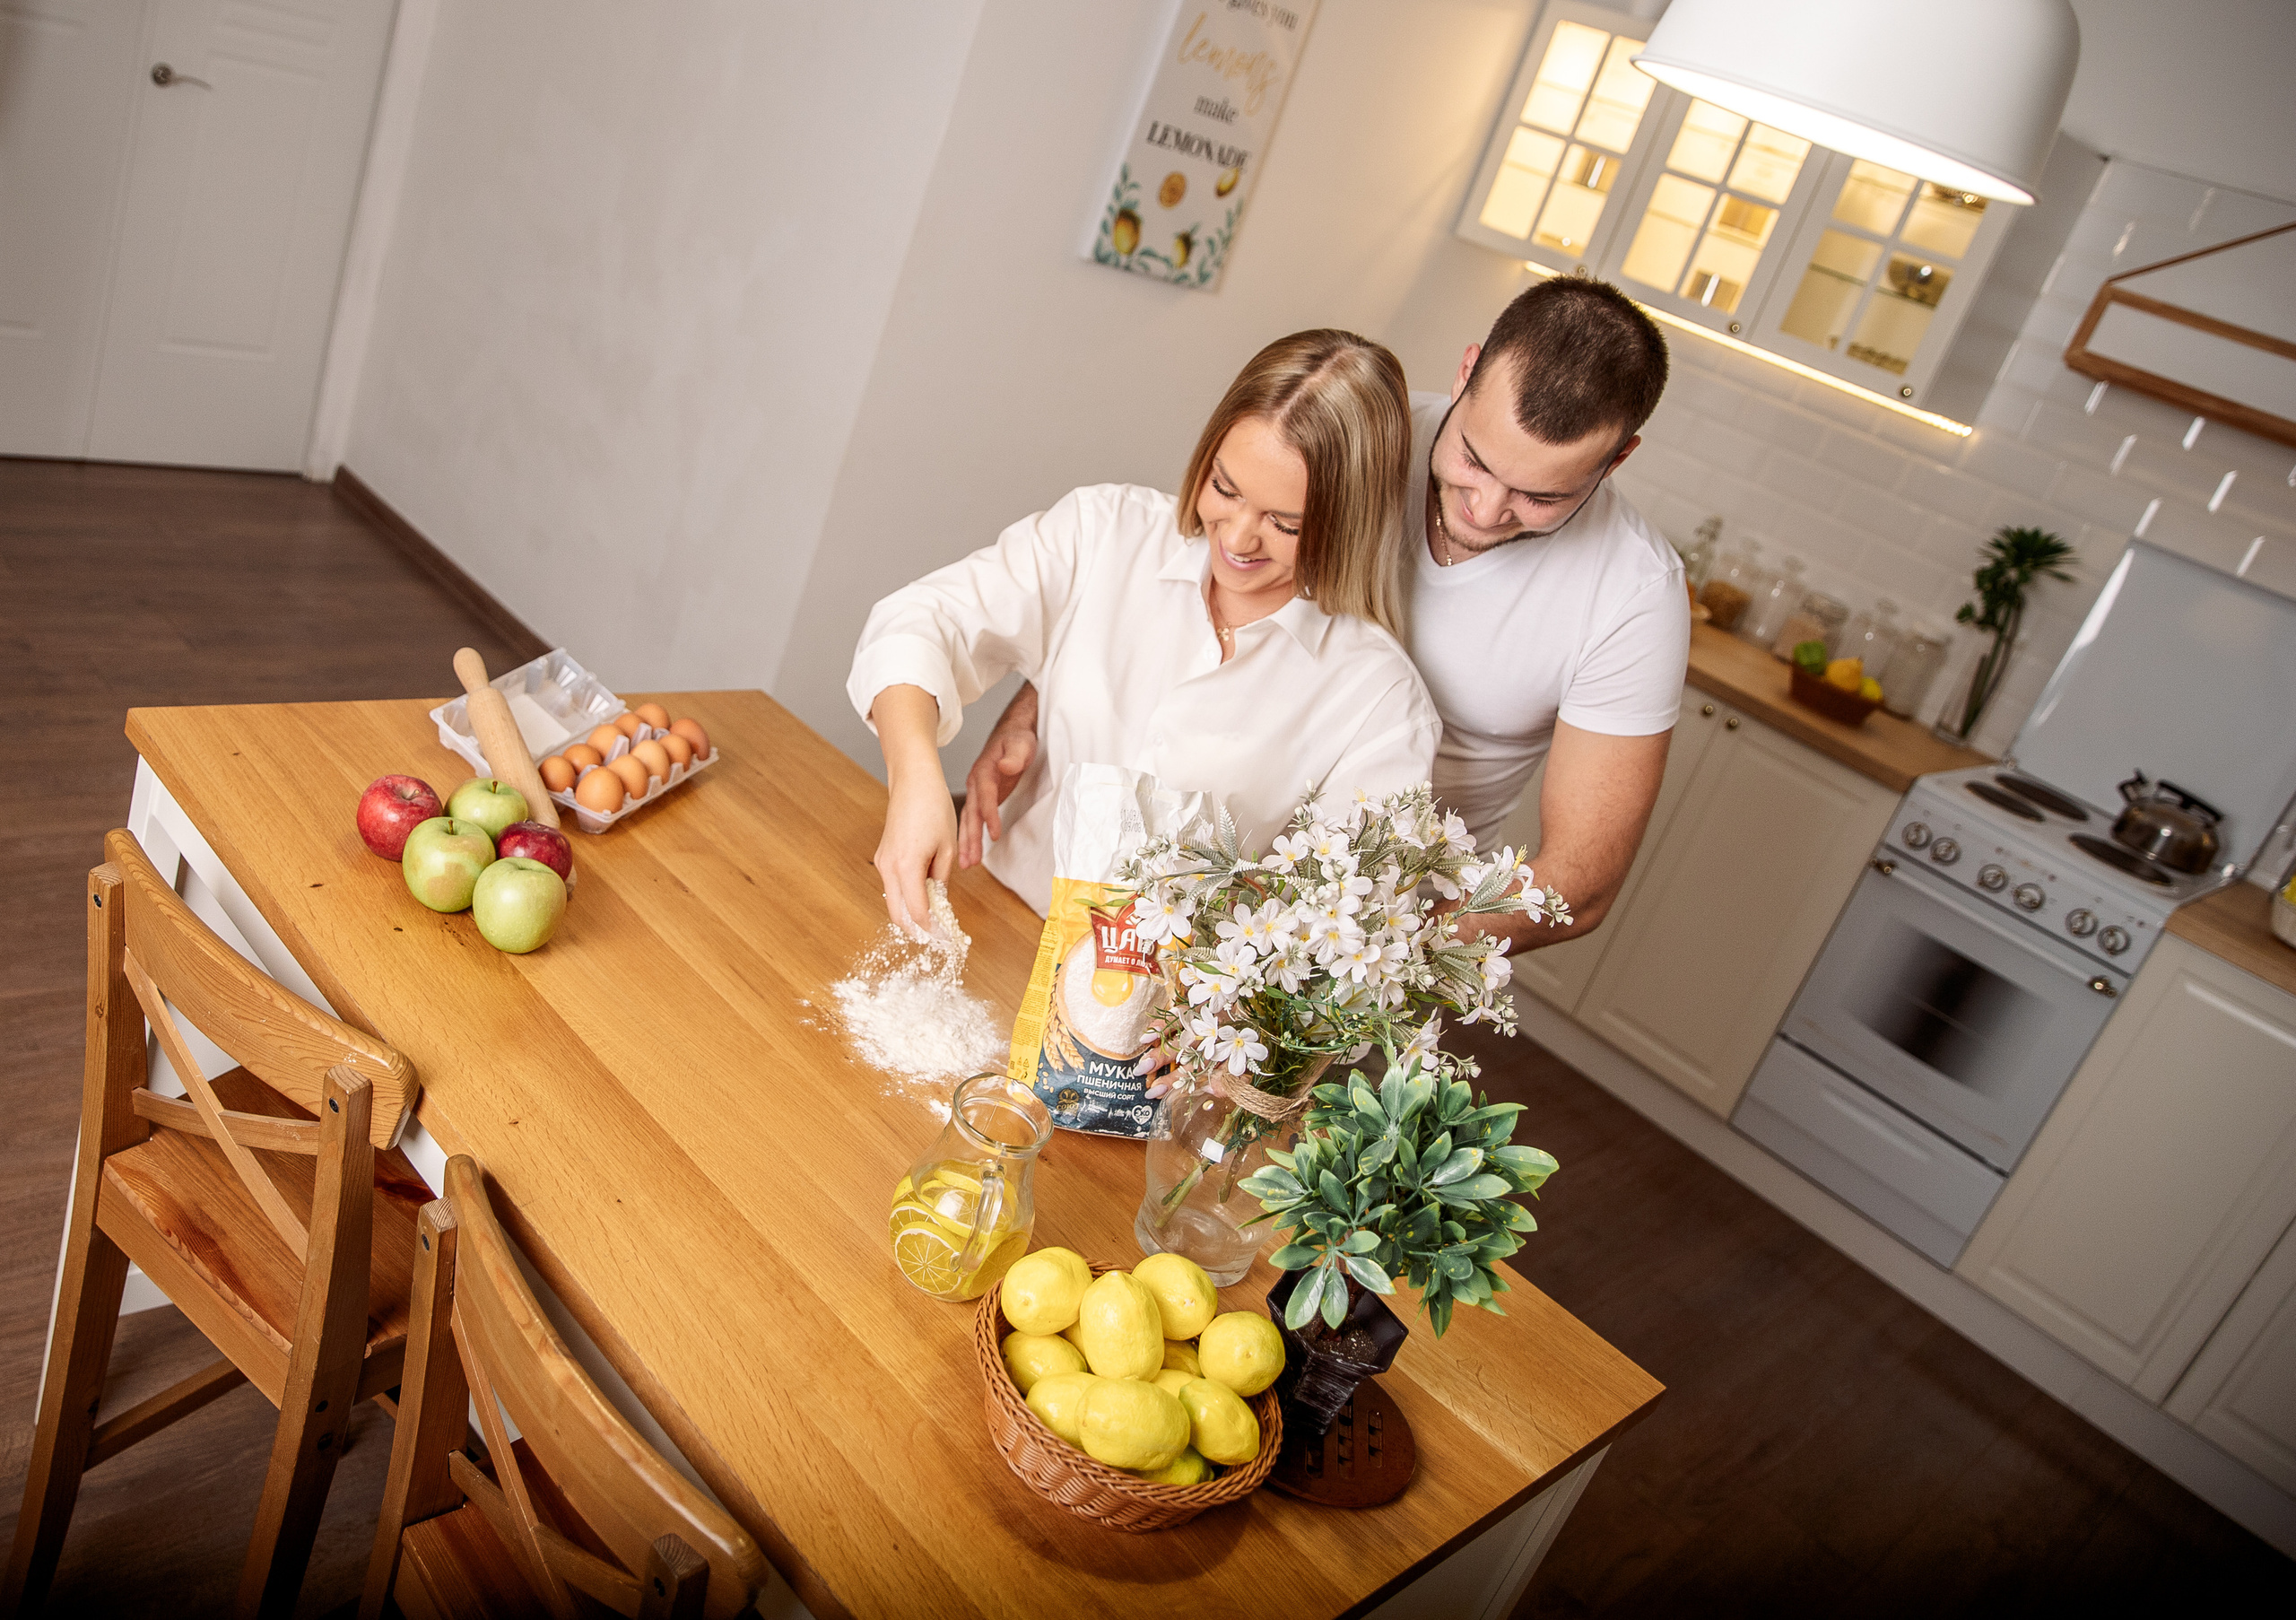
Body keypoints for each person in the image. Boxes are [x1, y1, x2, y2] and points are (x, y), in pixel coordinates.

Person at [960, 278, 1690, 954]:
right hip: (1165, 866)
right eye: (1473, 459)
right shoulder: (1361, 433)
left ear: (1617, 459)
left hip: (1366, 921)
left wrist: (1331, 963)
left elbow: (1581, 885)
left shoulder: (1633, 596)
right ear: (1467, 372)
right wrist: (1034, 705)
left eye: (1541, 498)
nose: (1486, 508)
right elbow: (1169, 581)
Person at [850, 328, 1440, 930]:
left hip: (1169, 1008)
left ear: (1350, 523)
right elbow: (919, 624)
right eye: (1224, 488)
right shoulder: (1107, 531)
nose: (1235, 539)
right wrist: (916, 778)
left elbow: (1339, 926)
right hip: (997, 916)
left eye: (1285, 523)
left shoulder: (1380, 704)